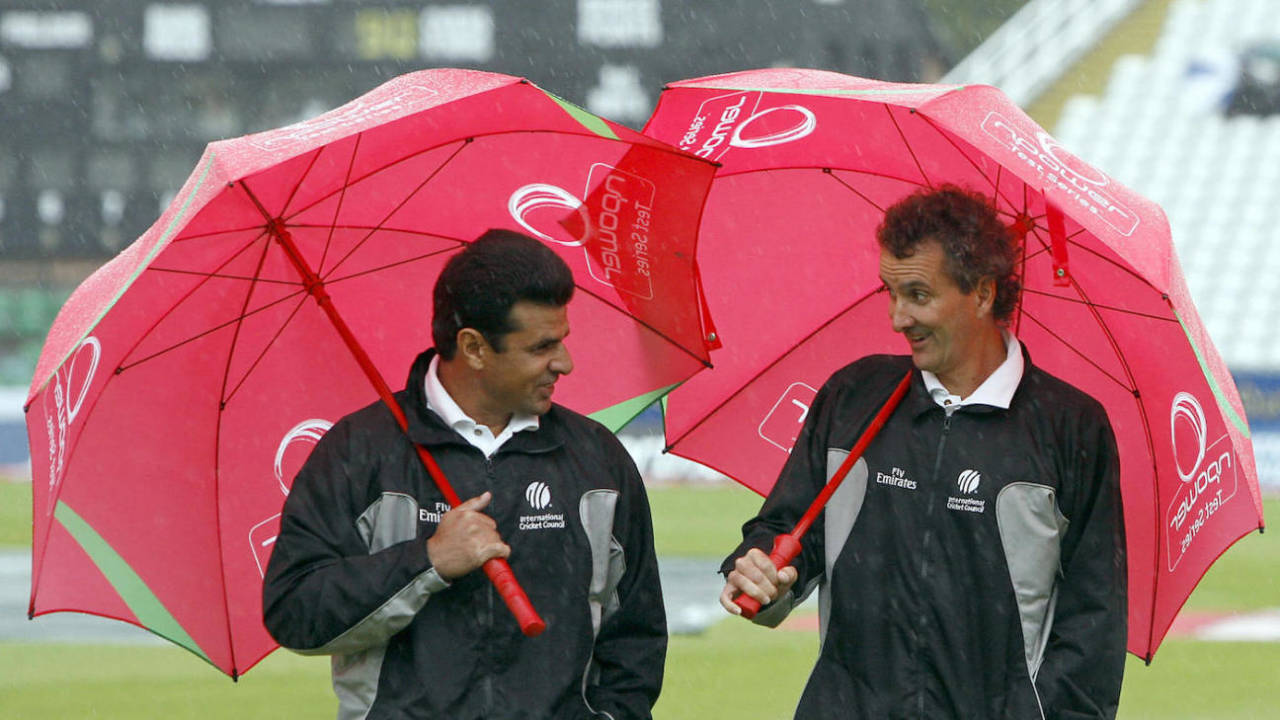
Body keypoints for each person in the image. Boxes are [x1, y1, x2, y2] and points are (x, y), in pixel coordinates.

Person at [719, 185, 1127, 719]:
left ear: (982, 294)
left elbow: (1093, 620)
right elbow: (788, 532)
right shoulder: (853, 396)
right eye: (890, 292)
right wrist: (759, 575)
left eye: (917, 294)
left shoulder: (1071, 425)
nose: (897, 318)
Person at [263, 229, 666, 720]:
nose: (564, 363)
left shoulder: (598, 460)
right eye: (541, 347)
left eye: (562, 341)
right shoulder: (358, 451)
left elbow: (636, 638)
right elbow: (295, 613)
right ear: (473, 348)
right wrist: (428, 560)